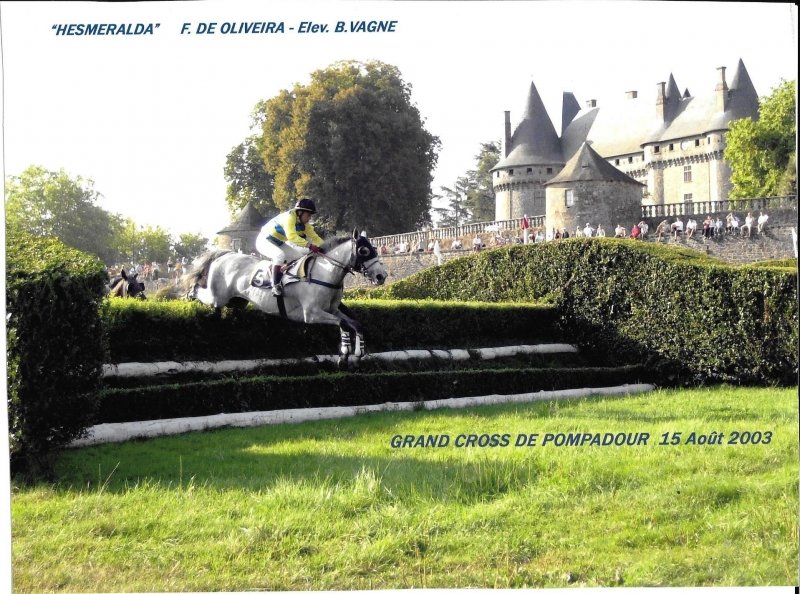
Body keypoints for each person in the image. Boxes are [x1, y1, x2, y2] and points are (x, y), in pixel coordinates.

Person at [255, 198, 324, 297]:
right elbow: (291, 236)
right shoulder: (289, 217)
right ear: (300, 212)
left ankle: (283, 274)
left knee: (298, 257)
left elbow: (315, 237)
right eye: (308, 215)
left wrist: (325, 247)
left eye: (311, 215)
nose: (310, 218)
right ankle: (275, 285)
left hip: (278, 242)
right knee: (279, 255)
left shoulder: (305, 225)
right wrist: (310, 246)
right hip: (264, 240)